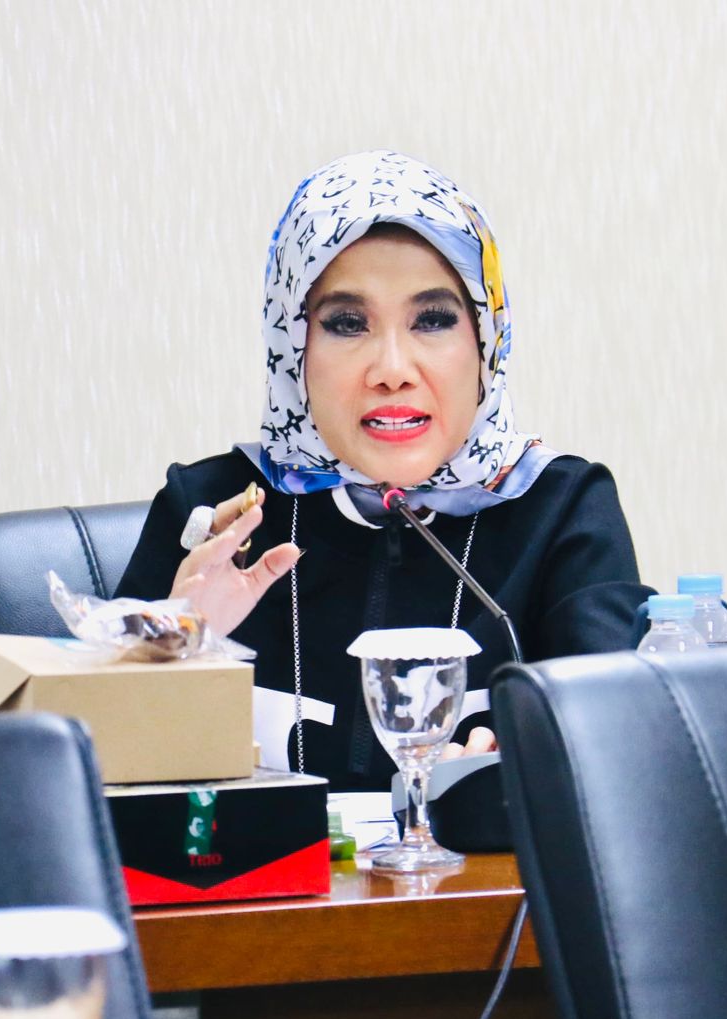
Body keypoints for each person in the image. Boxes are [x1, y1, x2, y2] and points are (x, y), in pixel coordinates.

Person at [117, 150, 651, 790]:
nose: (392, 369)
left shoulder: (559, 509)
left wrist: (519, 774)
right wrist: (169, 648)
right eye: (348, 324)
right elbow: (76, 786)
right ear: (293, 347)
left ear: (485, 341)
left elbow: (627, 764)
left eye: (433, 320)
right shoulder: (212, 513)